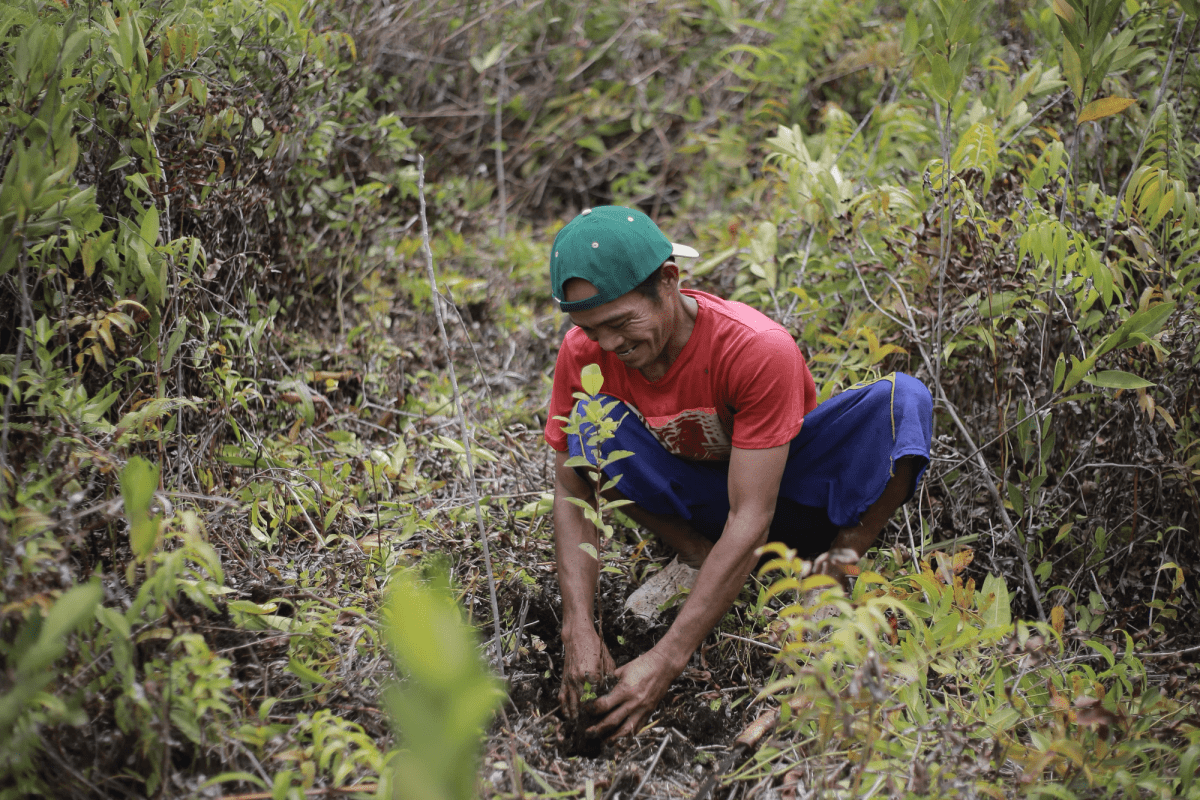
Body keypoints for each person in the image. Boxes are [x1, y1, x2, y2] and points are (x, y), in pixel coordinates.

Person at [543, 205, 933, 741]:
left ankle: (837, 564)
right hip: (700, 501)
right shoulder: (583, 354)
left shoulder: (752, 347)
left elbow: (753, 512)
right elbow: (571, 488)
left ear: (669, 281)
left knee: (904, 402)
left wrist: (664, 661)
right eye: (591, 328)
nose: (610, 345)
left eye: (621, 323)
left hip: (787, 492)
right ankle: (695, 552)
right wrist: (576, 626)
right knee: (587, 427)